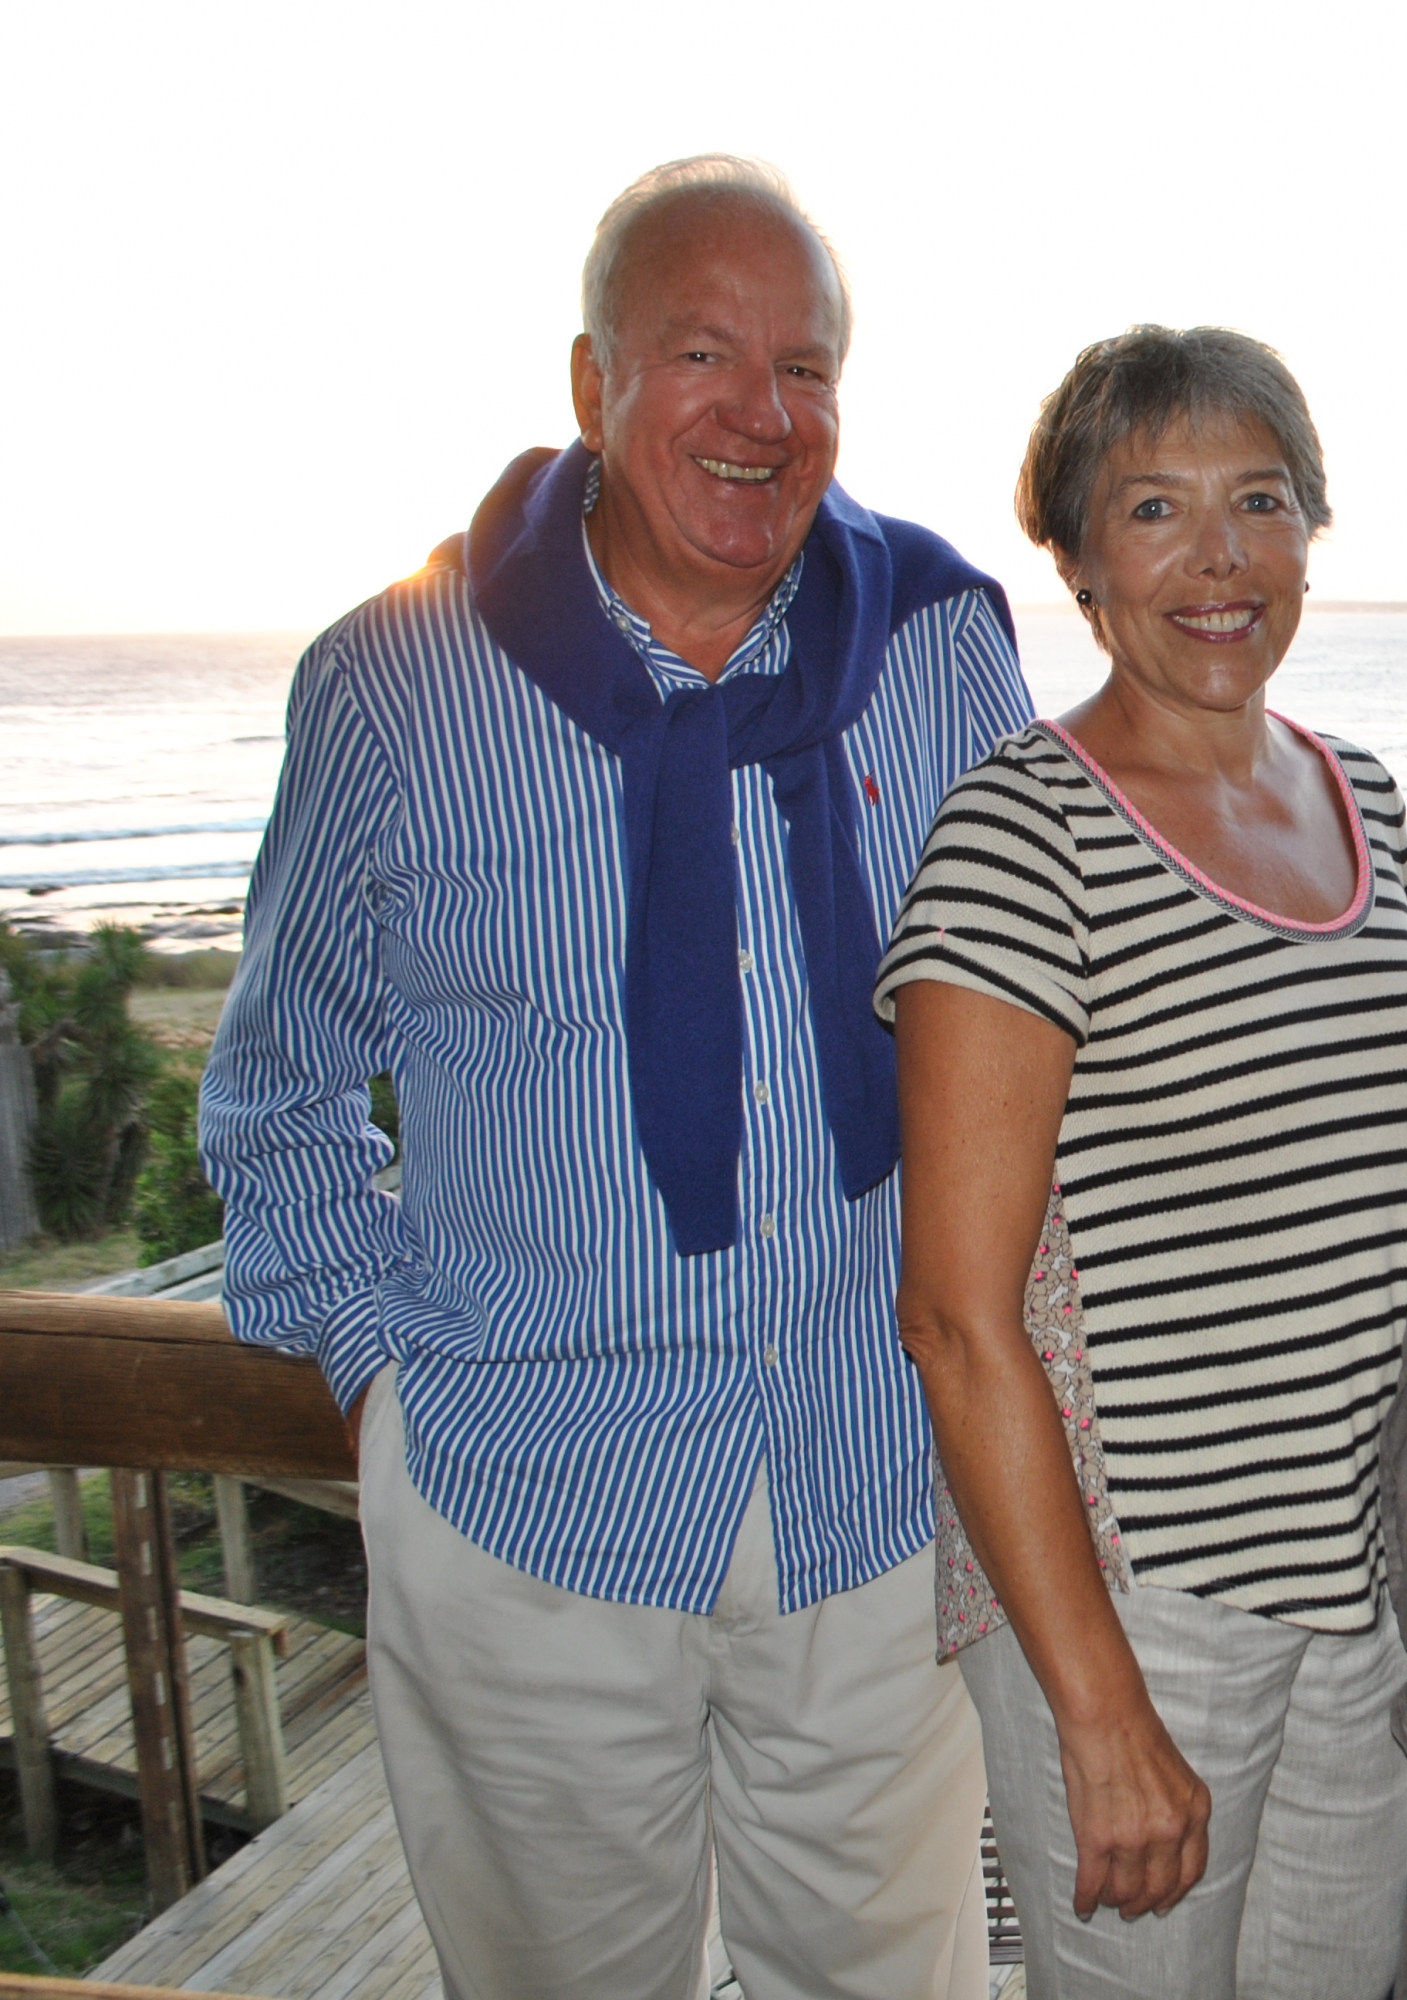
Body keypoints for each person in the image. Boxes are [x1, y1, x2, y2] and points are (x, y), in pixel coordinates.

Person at [199, 156, 1028, 1998]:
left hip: (880, 1500)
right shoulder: (395, 682)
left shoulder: (943, 648)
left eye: (804, 368)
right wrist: (388, 1400)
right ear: (589, 385)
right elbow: (280, 1088)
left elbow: (1043, 1033)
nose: (761, 414)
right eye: (701, 357)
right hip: (531, 1521)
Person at [878, 324, 1407, 2000]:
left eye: (1260, 501)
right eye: (1154, 509)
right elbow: (956, 1320)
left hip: (1356, 1599)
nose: (1219, 559)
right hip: (1145, 1610)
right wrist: (1099, 1708)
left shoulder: (1368, 797)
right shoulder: (1022, 829)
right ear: (1074, 561)